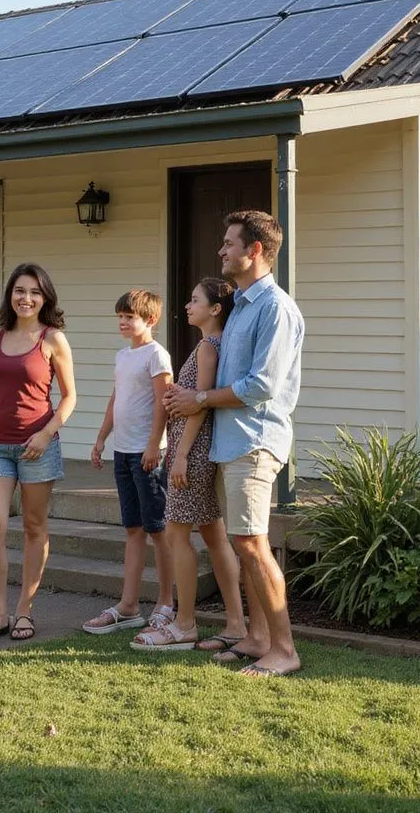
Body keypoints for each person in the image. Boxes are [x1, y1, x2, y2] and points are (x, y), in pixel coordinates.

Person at [165, 211, 304, 678]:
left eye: (229, 244)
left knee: (251, 541)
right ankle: (258, 637)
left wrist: (198, 398)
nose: (221, 250)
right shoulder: (242, 305)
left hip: (255, 440)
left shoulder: (275, 308)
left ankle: (284, 649)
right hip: (228, 442)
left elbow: (261, 385)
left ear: (255, 250)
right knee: (244, 542)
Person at [131, 277, 246, 651]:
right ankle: (236, 624)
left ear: (215, 309)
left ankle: (184, 623)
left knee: (179, 535)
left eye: (195, 300)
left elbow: (200, 405)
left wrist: (178, 455)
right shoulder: (211, 346)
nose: (187, 305)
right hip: (193, 450)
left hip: (191, 454)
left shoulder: (207, 349)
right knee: (214, 536)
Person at [0, 263, 76, 644]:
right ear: (10, 295)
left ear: (44, 298)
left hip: (36, 447)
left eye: (34, 292)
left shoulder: (53, 339)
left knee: (33, 528)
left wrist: (46, 435)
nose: (25, 298)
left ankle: (24, 610)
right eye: (19, 291)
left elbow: (70, 397)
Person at [83, 290, 175, 635]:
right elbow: (116, 398)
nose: (122, 322)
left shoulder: (157, 356)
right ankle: (129, 605)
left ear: (150, 320)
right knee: (133, 529)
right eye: (119, 317)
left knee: (157, 530)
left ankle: (166, 603)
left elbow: (162, 403)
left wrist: (154, 445)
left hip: (148, 454)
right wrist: (101, 437)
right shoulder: (123, 356)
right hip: (123, 451)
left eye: (129, 317)